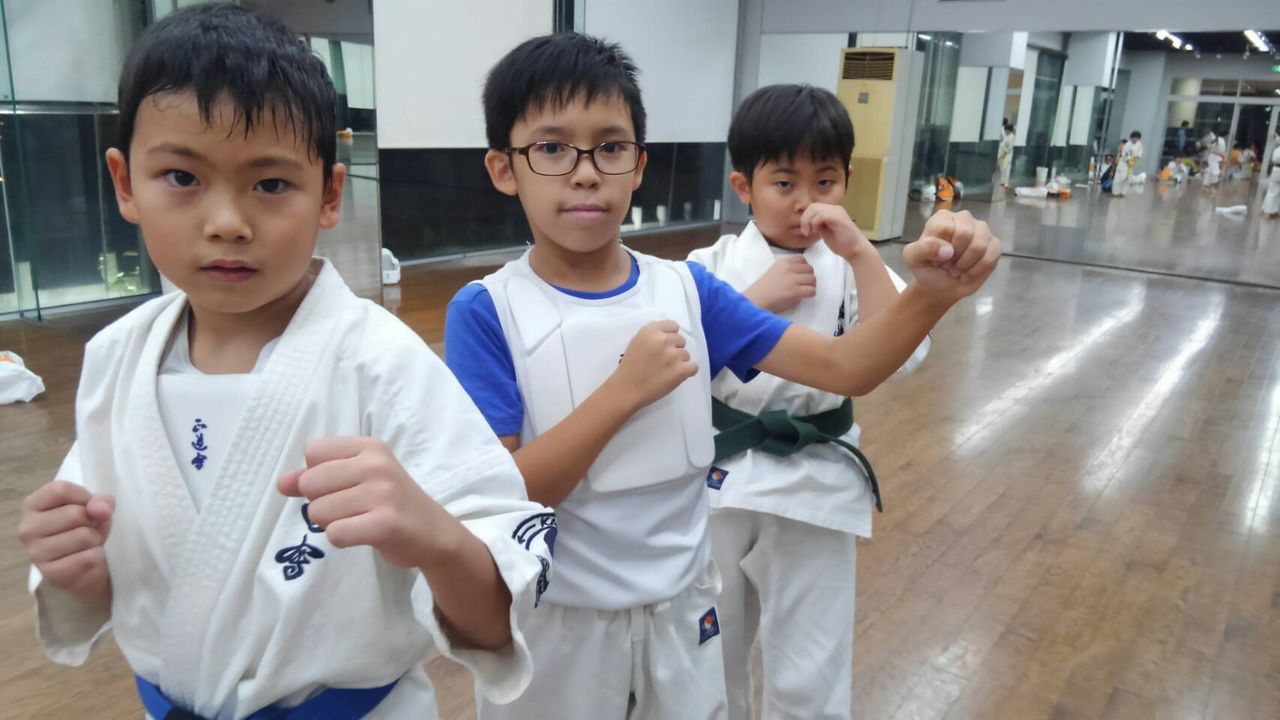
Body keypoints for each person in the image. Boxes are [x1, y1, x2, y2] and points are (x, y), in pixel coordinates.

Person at [16, 6, 554, 718]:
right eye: (180, 176)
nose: (227, 223)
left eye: (270, 185)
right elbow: (114, 581)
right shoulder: (116, 359)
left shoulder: (380, 362)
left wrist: (435, 538)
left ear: (329, 194)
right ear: (124, 184)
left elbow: (495, 612)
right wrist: (74, 567)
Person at [445, 33, 1001, 720]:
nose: (585, 173)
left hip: (683, 612)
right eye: (552, 149)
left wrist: (933, 294)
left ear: (639, 165)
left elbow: (846, 366)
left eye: (610, 147)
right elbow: (506, 496)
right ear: (504, 169)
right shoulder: (487, 311)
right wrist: (623, 394)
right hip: (557, 622)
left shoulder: (689, 290)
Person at [685, 84, 931, 720]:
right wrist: (753, 303)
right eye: (784, 183)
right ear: (744, 187)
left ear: (847, 181)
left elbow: (906, 352)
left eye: (824, 182)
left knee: (811, 662)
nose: (805, 202)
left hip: (817, 477)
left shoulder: (851, 265)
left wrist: (860, 252)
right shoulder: (709, 264)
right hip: (720, 475)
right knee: (709, 648)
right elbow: (672, 363)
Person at [1113, 131, 1143, 197]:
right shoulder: (1127, 144)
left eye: (1137, 138)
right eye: (1134, 138)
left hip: (1132, 162)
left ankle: (1123, 192)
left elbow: (1140, 152)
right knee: (1120, 177)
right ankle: (1116, 192)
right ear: (1131, 137)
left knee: (1128, 178)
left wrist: (1136, 158)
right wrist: (1128, 161)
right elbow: (1125, 154)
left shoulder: (1139, 144)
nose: (1135, 139)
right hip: (1124, 162)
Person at [1264, 135, 1280, 218]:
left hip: (1275, 170)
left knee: (1272, 191)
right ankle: (1273, 211)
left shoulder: (1276, 150)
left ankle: (1269, 209)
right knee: (1276, 192)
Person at [997, 122, 1015, 189]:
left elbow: (1008, 147)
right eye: (1005, 130)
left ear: (1010, 130)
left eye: (1007, 130)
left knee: (1006, 168)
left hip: (1007, 154)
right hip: (1002, 152)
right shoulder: (1004, 134)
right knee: (1001, 168)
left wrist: (1003, 153)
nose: (1006, 132)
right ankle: (1002, 181)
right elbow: (1001, 141)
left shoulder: (1011, 137)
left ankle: (1006, 182)